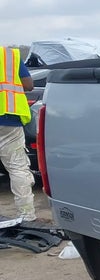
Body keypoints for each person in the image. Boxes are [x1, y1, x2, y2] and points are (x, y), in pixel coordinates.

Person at [0, 46, 38, 223]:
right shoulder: (10, 55)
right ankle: (26, 215)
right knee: (17, 168)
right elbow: (29, 85)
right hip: (9, 119)